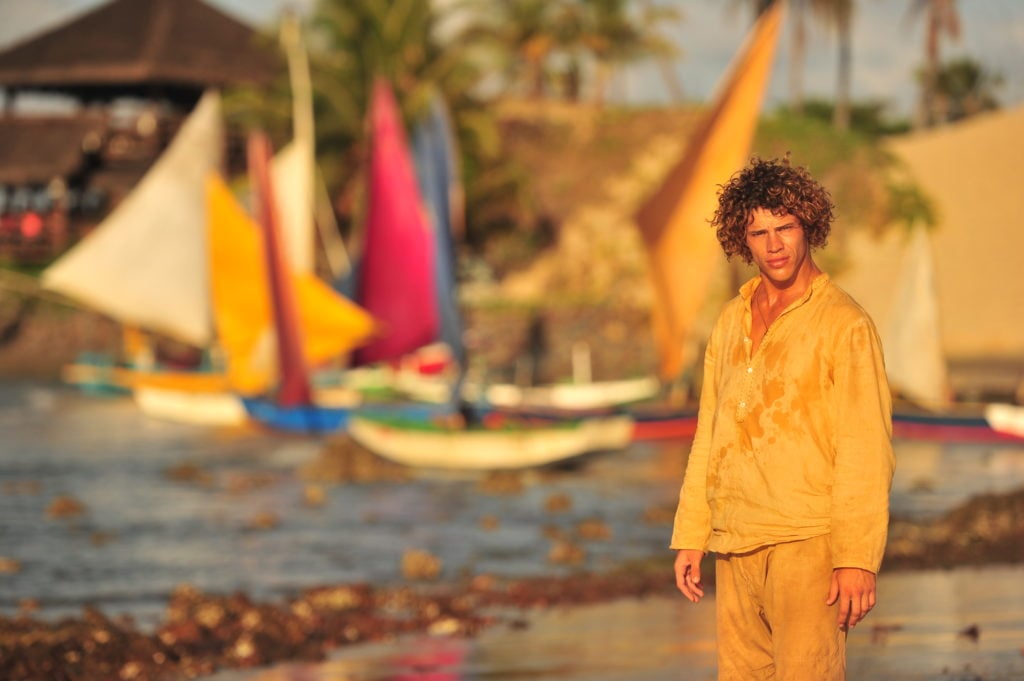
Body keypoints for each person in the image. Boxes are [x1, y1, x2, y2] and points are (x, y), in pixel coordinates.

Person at [671, 156, 895, 680]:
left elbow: (866, 449)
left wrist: (857, 558)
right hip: (735, 542)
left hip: (808, 544)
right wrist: (691, 534)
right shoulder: (730, 320)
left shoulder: (845, 324)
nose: (774, 245)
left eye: (785, 228)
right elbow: (710, 432)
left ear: (808, 227)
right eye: (759, 233)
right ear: (740, 240)